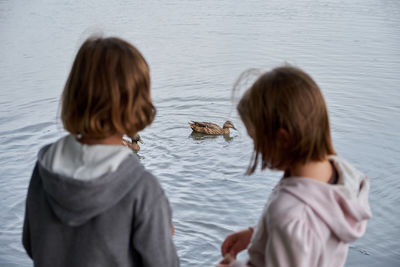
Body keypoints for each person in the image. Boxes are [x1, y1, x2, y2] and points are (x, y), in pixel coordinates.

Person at [22, 36, 179, 267]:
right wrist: (164, 236)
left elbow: (30, 244)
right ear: (138, 105)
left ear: (73, 97)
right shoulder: (143, 189)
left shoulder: (44, 170)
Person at [218, 65, 371, 267]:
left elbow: (294, 225)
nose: (255, 148)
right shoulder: (341, 176)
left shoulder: (289, 216)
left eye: (256, 140)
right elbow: (308, 231)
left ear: (283, 139)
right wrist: (257, 234)